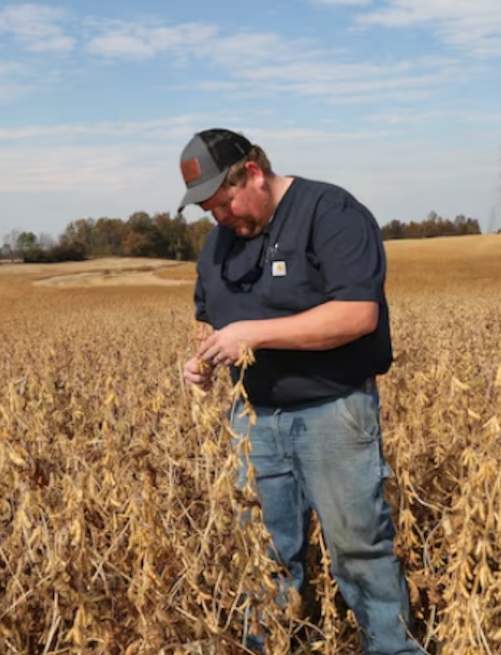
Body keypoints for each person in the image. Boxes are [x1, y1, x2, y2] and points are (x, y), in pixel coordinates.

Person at [179, 128, 424, 655]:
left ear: (253, 174)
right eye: (210, 212)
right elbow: (209, 317)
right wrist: (200, 360)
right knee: (263, 552)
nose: (220, 219)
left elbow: (357, 315)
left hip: (332, 411)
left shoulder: (329, 212)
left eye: (223, 203)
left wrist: (254, 333)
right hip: (253, 422)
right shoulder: (223, 238)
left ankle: (392, 649)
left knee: (358, 549)